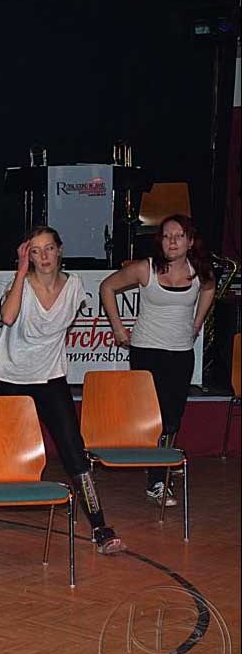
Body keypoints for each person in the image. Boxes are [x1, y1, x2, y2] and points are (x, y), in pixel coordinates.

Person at [0, 226, 125, 554]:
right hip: (11, 377)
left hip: (51, 378)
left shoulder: (75, 286)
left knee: (74, 450)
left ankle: (100, 527)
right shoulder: (21, 285)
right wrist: (21, 270)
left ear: (59, 250)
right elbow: (8, 317)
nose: (44, 256)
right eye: (35, 251)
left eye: (49, 248)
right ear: (29, 256)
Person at [99, 214, 214, 506]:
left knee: (173, 417)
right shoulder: (144, 269)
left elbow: (209, 288)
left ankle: (160, 465)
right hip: (147, 351)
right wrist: (118, 328)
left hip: (181, 352)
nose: (172, 241)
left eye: (178, 236)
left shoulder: (199, 271)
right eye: (166, 236)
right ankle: (157, 480)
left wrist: (197, 323)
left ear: (190, 241)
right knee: (154, 417)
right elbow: (107, 287)